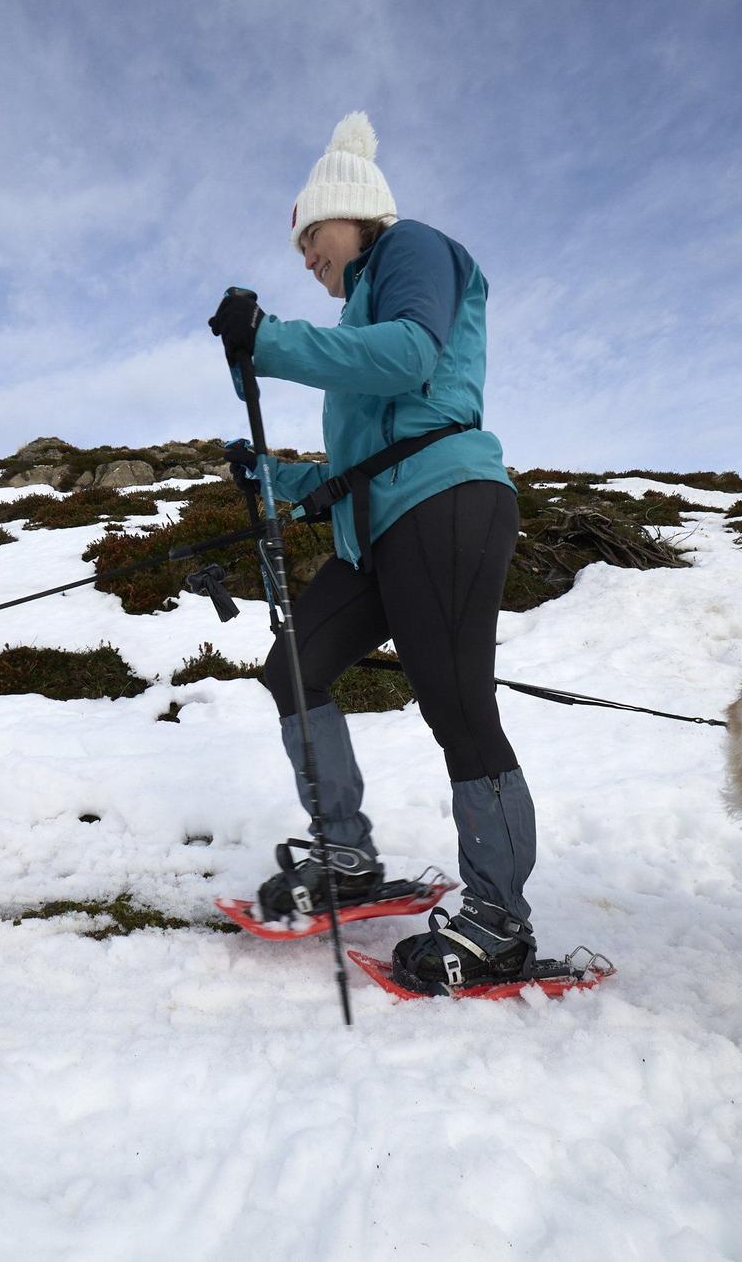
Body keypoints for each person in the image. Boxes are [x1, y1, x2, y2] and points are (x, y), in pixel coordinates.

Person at [208, 111, 540, 991]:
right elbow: (364, 461)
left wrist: (272, 343)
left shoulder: (413, 251)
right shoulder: (358, 304)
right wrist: (273, 476)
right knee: (294, 669)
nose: (304, 255)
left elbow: (408, 359)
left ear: (352, 214)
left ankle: (500, 920)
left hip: (447, 505)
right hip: (384, 525)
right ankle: (346, 854)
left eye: (310, 234)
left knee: (459, 710)